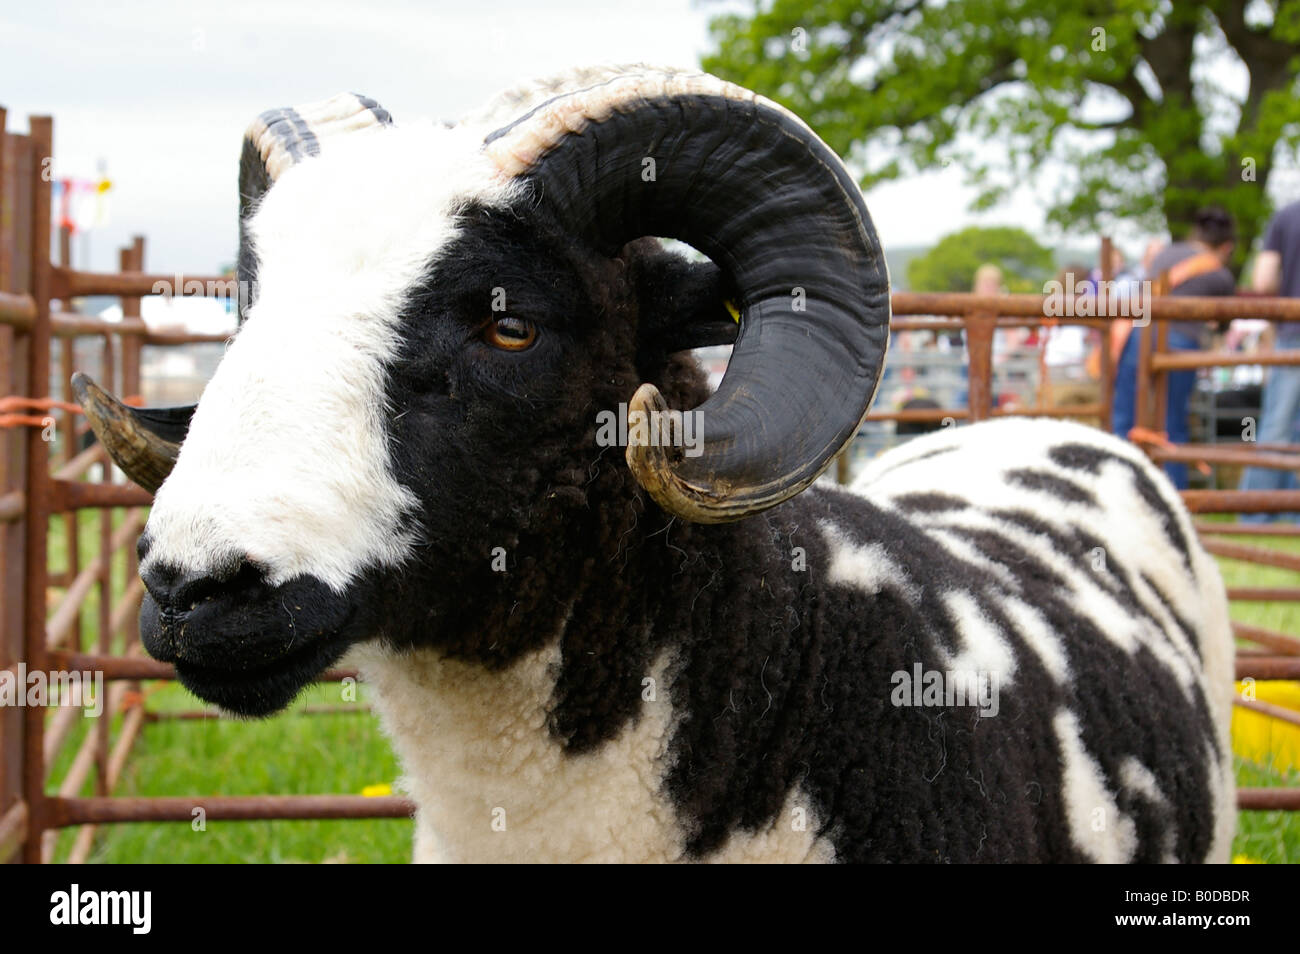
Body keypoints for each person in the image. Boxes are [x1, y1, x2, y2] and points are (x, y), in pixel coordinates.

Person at [1111, 207, 1238, 489]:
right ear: (1226, 246)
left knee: (1125, 421)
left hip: (1139, 337)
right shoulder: (1220, 275)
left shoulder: (1166, 254)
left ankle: (1118, 490)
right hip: (1180, 342)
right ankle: (1173, 499)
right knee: (1172, 426)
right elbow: (1224, 322)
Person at [1238, 199, 1300, 521]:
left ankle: (1255, 513)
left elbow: (1263, 280)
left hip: (1293, 331)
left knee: (1278, 425)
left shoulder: (1287, 215)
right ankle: (1290, 512)